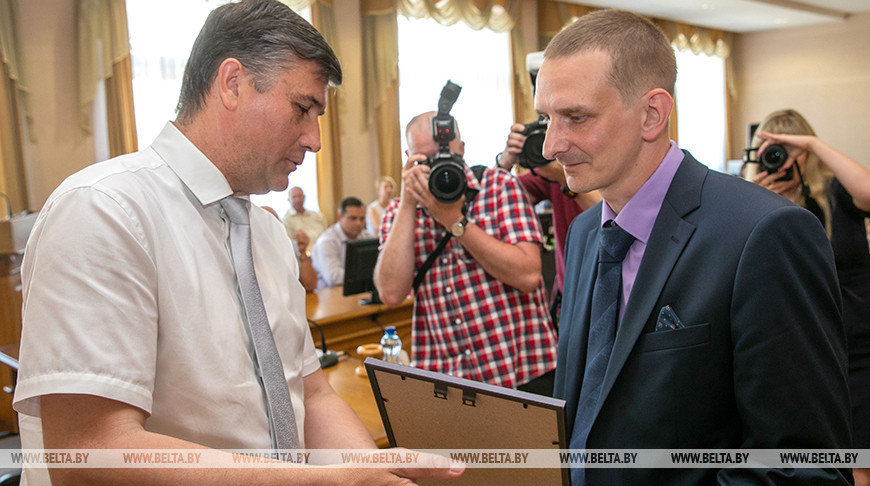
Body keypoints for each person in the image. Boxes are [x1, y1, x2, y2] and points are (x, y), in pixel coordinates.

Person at [11, 1, 463, 484]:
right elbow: (91, 448)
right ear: (232, 83)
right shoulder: (104, 210)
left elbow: (308, 394)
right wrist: (325, 482)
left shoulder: (266, 234)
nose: (314, 140)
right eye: (303, 108)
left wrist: (371, 472)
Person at [536, 10, 852, 485]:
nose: (550, 146)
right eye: (546, 120)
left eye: (575, 118)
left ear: (652, 114)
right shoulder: (584, 234)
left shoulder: (766, 233)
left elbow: (803, 469)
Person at [374, 111, 557, 395]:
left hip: (525, 371)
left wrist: (454, 222)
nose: (439, 166)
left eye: (444, 154)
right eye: (425, 159)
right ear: (408, 158)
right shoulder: (399, 213)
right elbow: (390, 293)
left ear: (461, 148)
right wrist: (409, 202)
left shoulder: (499, 187)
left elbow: (528, 275)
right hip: (449, 384)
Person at [746, 108, 870, 486]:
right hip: (799, 351)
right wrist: (753, 196)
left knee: (859, 461)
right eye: (770, 150)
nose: (779, 159)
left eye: (788, 149)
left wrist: (813, 144)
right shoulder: (751, 201)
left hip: (859, 350)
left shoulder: (836, 193)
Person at [496, 133, 601, 319]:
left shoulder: (615, 161)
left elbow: (617, 222)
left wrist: (564, 177)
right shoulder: (552, 174)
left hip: (609, 297)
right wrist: (504, 163)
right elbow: (496, 200)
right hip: (569, 298)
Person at [311, 196, 373, 289]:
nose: (358, 223)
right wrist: (368, 275)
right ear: (340, 217)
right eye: (353, 218)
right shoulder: (326, 241)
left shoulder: (366, 236)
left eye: (362, 219)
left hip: (358, 290)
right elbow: (333, 277)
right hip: (330, 295)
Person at [263, 205, 317, 292]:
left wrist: (303, 252)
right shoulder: (249, 252)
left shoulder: (291, 245)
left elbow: (310, 285)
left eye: (275, 222)